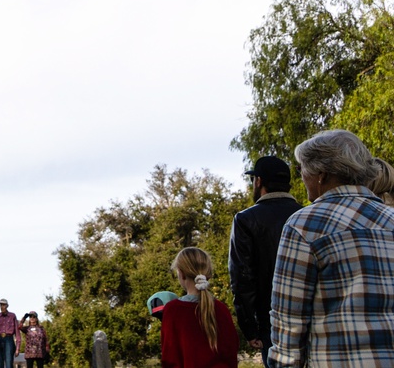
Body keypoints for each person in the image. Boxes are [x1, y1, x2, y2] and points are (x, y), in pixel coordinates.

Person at [269, 129, 394, 367]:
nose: (301, 177)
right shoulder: (390, 219)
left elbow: (288, 322)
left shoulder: (304, 225)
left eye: (301, 170)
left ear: (320, 175)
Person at [227, 155, 302, 366]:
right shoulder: (307, 214)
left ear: (258, 181)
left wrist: (249, 327)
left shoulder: (245, 220)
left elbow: (242, 278)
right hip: (310, 315)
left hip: (271, 319)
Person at [160, 247, 238, 368]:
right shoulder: (221, 309)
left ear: (181, 274)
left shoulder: (173, 310)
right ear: (208, 274)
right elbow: (231, 354)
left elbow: (170, 359)